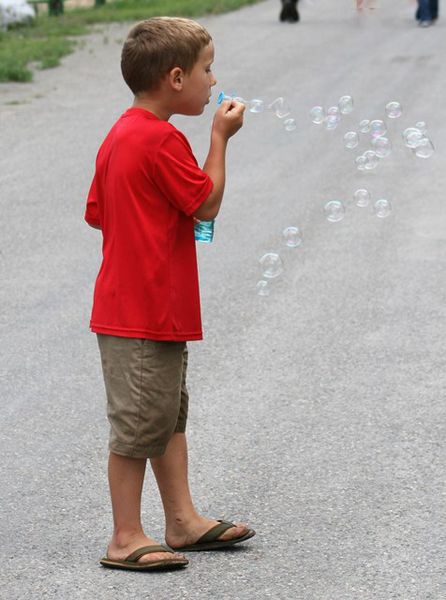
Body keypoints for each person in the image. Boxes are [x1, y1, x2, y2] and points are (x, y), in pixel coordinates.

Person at [85, 17, 255, 572]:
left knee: (165, 417)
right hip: (141, 310)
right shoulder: (161, 138)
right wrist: (219, 140)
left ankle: (182, 520)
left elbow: (97, 213)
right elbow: (205, 204)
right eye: (208, 69)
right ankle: (124, 537)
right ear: (176, 78)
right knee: (138, 426)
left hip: (147, 308)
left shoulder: (121, 132)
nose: (214, 81)